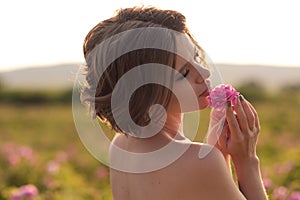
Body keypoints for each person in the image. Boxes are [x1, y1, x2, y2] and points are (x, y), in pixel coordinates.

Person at [82, 6, 268, 200]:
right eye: (184, 73)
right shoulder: (198, 162)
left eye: (196, 57)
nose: (204, 74)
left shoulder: (121, 144)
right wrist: (247, 162)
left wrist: (220, 153)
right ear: (146, 90)